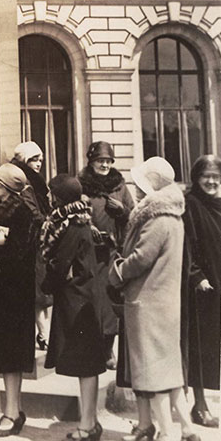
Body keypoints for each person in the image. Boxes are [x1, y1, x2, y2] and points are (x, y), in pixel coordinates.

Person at [109, 156, 200, 441]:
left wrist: (117, 271)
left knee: (153, 375)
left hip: (148, 304)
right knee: (170, 373)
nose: (136, 188)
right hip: (164, 304)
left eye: (140, 183)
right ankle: (187, 431)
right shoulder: (173, 217)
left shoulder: (156, 219)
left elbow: (140, 258)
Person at [39, 174, 107, 441]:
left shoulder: (70, 225)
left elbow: (59, 263)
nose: (48, 197)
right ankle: (89, 422)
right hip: (84, 298)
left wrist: (46, 285)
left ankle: (88, 424)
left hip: (77, 302)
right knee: (86, 364)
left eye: (51, 193)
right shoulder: (80, 220)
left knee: (85, 365)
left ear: (59, 197)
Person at [0, 162, 37, 437]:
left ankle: (12, 413)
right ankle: (13, 409)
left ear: (8, 186)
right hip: (1, 294)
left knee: (12, 356)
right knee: (7, 355)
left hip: (14, 295)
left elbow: (14, 255)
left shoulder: (21, 214)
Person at [78, 140, 133, 368]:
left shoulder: (119, 186)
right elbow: (72, 213)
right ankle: (92, 349)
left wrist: (123, 211)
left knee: (111, 302)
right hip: (88, 253)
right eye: (101, 161)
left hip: (112, 252)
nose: (105, 165)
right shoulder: (81, 185)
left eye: (108, 161)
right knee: (91, 300)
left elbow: (133, 216)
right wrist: (86, 226)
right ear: (91, 162)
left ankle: (108, 350)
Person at [182, 154, 221, 428]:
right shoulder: (190, 204)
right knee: (200, 346)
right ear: (196, 178)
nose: (211, 181)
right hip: (202, 287)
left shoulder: (218, 204)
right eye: (206, 176)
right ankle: (199, 405)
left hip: (218, 283)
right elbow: (187, 246)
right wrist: (197, 276)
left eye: (216, 177)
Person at [10, 140, 51, 349]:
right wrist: (46, 223)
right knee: (37, 293)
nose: (38, 163)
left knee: (39, 294)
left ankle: (43, 334)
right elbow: (33, 211)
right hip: (29, 242)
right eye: (34, 159)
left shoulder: (34, 181)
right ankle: (43, 335)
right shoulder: (24, 181)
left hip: (36, 242)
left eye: (41, 159)